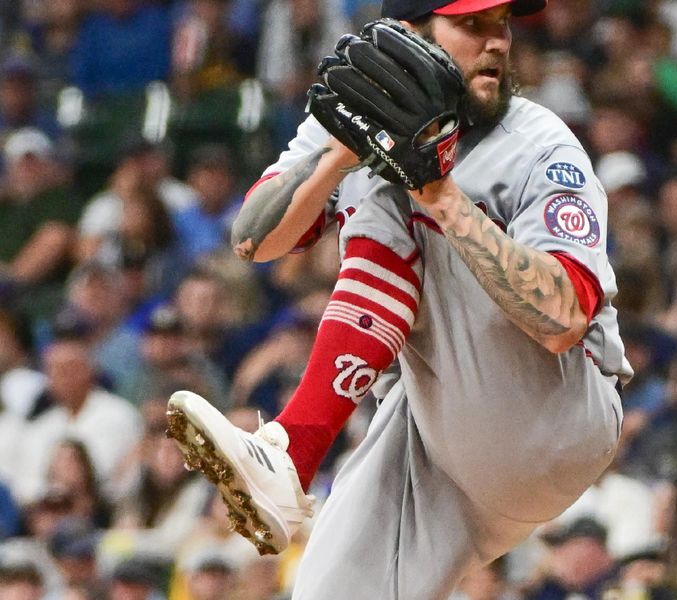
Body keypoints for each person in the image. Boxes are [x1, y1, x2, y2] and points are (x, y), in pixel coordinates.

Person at [167, 1, 631, 598]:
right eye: (472, 25)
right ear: (409, 37)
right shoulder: (353, 114)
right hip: (437, 434)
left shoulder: (540, 144)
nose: (497, 43)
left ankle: (299, 446)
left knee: (388, 192)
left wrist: (437, 191)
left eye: (503, 24)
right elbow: (252, 240)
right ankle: (285, 463)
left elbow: (562, 319)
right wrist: (340, 153)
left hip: (555, 413)